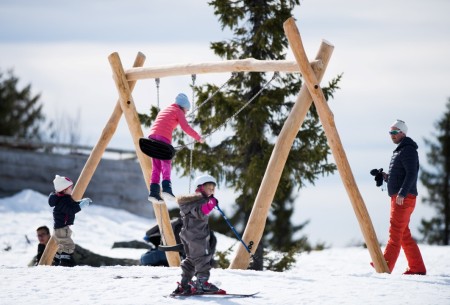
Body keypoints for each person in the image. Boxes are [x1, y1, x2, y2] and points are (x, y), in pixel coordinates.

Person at [380, 119, 426, 275]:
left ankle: (384, 266)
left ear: (403, 132)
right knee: (403, 235)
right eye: (390, 132)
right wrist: (385, 177)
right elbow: (401, 174)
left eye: (394, 132)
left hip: (403, 198)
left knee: (395, 232)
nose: (391, 135)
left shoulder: (408, 150)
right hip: (400, 197)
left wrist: (402, 193)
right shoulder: (401, 150)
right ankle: (417, 268)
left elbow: (412, 173)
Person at [172, 174, 224, 295]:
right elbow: (200, 212)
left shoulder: (189, 202)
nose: (211, 190)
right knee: (203, 258)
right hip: (197, 235)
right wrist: (211, 204)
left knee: (190, 259)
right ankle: (202, 283)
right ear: (200, 188)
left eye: (213, 188)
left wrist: (210, 202)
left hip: (187, 235)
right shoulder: (199, 201)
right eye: (208, 187)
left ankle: (185, 282)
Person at [147, 93, 204, 203]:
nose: (186, 112)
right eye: (187, 110)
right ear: (184, 107)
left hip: (151, 138)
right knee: (166, 162)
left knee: (156, 166)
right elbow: (186, 127)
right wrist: (198, 138)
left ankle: (153, 193)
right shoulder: (178, 111)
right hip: (163, 137)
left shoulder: (167, 109)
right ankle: (167, 189)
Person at [48, 175, 92, 267]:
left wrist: (80, 202)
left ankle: (56, 261)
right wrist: (81, 206)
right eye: (70, 188)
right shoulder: (62, 201)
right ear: (64, 190)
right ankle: (65, 263)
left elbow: (71, 205)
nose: (71, 190)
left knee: (62, 247)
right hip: (62, 228)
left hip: (60, 228)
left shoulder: (62, 199)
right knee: (69, 245)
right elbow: (70, 210)